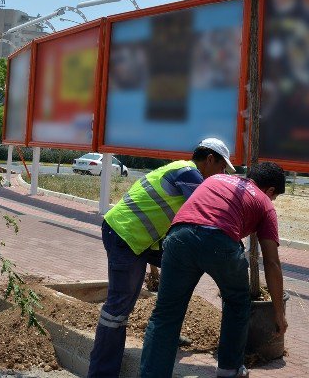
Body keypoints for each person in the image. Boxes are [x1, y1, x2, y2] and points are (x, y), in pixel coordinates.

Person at [87, 138, 235, 378]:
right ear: (209, 160)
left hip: (140, 239)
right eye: (221, 168)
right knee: (118, 310)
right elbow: (207, 211)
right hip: (126, 236)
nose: (220, 174)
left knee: (182, 268)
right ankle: (101, 373)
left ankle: (167, 329)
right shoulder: (189, 174)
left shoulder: (180, 169)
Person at [140, 161, 288, 378]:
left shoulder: (215, 179)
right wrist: (277, 312)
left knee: (165, 315)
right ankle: (229, 370)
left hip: (178, 237)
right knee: (237, 303)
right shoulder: (265, 203)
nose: (272, 200)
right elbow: (272, 262)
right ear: (271, 190)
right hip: (221, 243)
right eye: (274, 196)